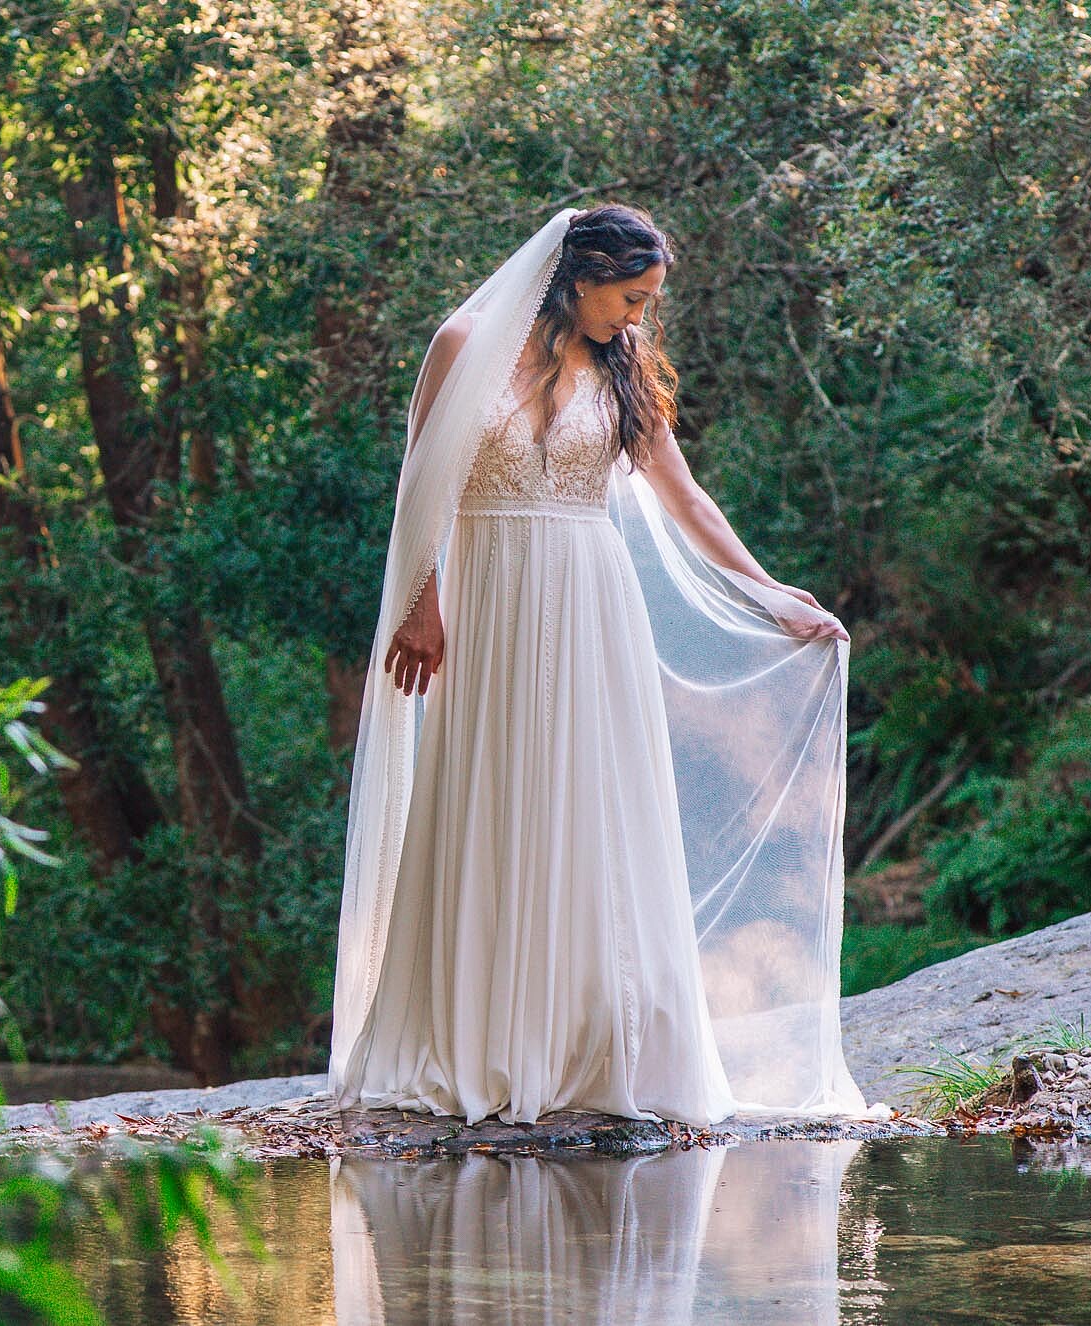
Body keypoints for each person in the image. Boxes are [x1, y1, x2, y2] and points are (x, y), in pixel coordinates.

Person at [324, 203, 891, 1128]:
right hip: (492, 602)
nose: (637, 318)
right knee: (494, 800)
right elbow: (419, 482)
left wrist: (770, 593)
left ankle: (594, 1045)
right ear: (579, 275)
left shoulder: (622, 367)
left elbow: (684, 496)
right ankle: (482, 1040)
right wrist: (421, 601)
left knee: (593, 810)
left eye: (647, 302)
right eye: (629, 297)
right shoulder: (462, 343)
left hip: (592, 605)